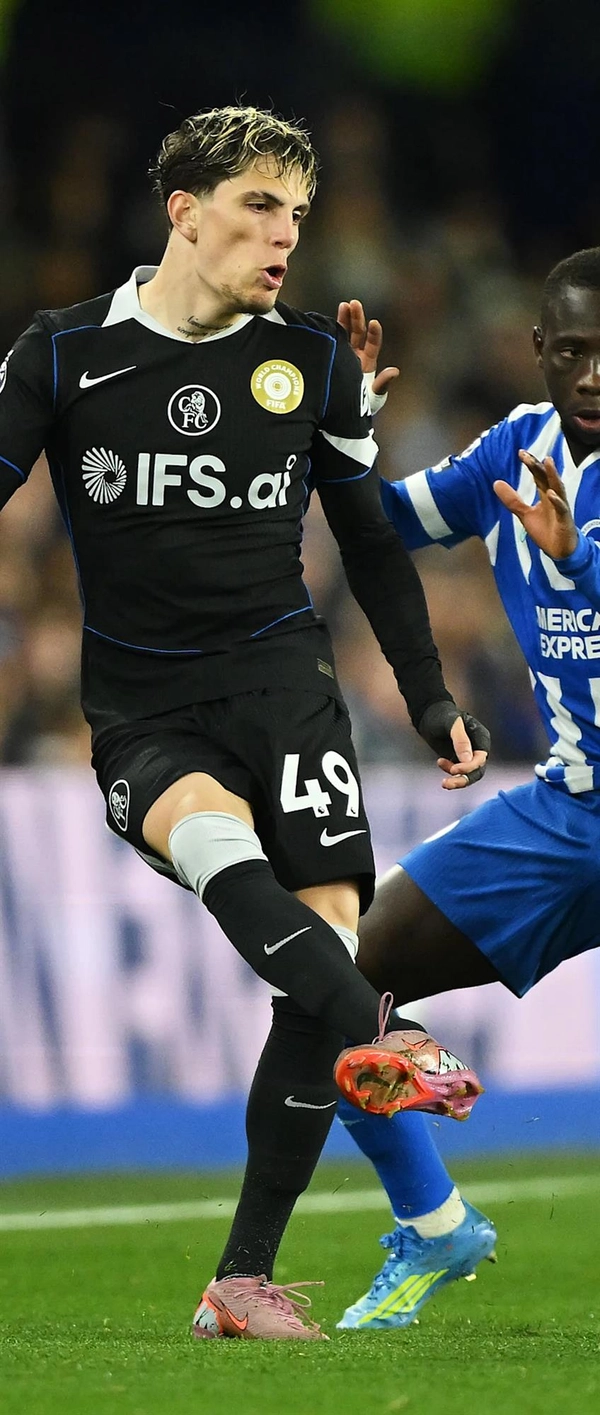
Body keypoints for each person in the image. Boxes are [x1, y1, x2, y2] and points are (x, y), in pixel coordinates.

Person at [0, 105, 489, 1342]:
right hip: (143, 705)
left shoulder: (312, 361)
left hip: (288, 693)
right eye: (261, 206)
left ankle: (240, 1281)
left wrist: (428, 693)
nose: (285, 237)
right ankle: (388, 1034)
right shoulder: (63, 355)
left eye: (299, 216)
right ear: (186, 210)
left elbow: (369, 542)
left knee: (319, 947)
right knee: (217, 842)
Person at [334, 246, 600, 1331]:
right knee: (346, 977)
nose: (593, 374)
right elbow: (378, 525)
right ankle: (436, 1222)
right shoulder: (512, 452)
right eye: (572, 350)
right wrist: (342, 432)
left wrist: (579, 564)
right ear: (537, 350)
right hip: (571, 812)